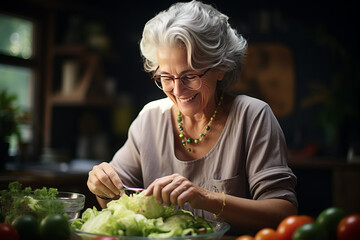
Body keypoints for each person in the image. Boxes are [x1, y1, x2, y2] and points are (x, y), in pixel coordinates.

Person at [87, 0, 298, 234]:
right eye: (165, 77)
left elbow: (283, 213)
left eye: (189, 76)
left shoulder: (252, 116)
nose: (177, 91)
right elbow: (116, 202)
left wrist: (205, 198)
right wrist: (102, 186)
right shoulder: (149, 119)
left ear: (221, 67)